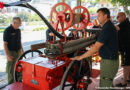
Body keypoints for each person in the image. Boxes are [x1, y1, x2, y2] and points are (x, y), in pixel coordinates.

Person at [71, 8, 119, 88]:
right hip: (110, 60)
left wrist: (80, 57)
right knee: (107, 84)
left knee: (105, 86)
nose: (97, 18)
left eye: (99, 16)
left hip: (109, 62)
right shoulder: (108, 26)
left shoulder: (107, 28)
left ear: (105, 16)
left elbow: (96, 47)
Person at [3, 17, 24, 84]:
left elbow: (20, 40)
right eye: (19, 24)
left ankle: (18, 81)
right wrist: (8, 55)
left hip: (18, 51)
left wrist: (22, 49)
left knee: (19, 67)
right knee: (11, 70)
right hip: (11, 52)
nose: (20, 25)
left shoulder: (18, 30)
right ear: (14, 23)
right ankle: (11, 84)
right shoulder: (7, 30)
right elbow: (5, 44)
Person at [115, 12, 130, 87]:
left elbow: (116, 27)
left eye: (118, 16)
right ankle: (127, 78)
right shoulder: (127, 23)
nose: (117, 18)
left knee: (125, 65)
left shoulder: (124, 23)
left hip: (126, 48)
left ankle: (124, 82)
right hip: (126, 47)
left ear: (123, 16)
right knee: (128, 63)